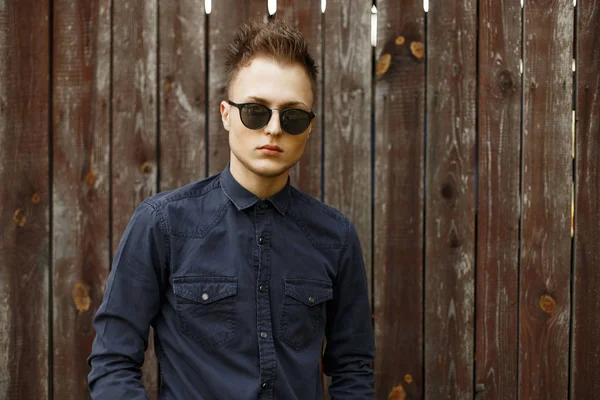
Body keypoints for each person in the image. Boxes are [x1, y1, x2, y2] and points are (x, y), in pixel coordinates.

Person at [87, 18, 375, 400]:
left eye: (292, 116)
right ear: (226, 114)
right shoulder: (162, 225)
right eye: (256, 111)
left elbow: (353, 367)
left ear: (308, 127)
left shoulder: (335, 238)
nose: (273, 129)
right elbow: (112, 361)